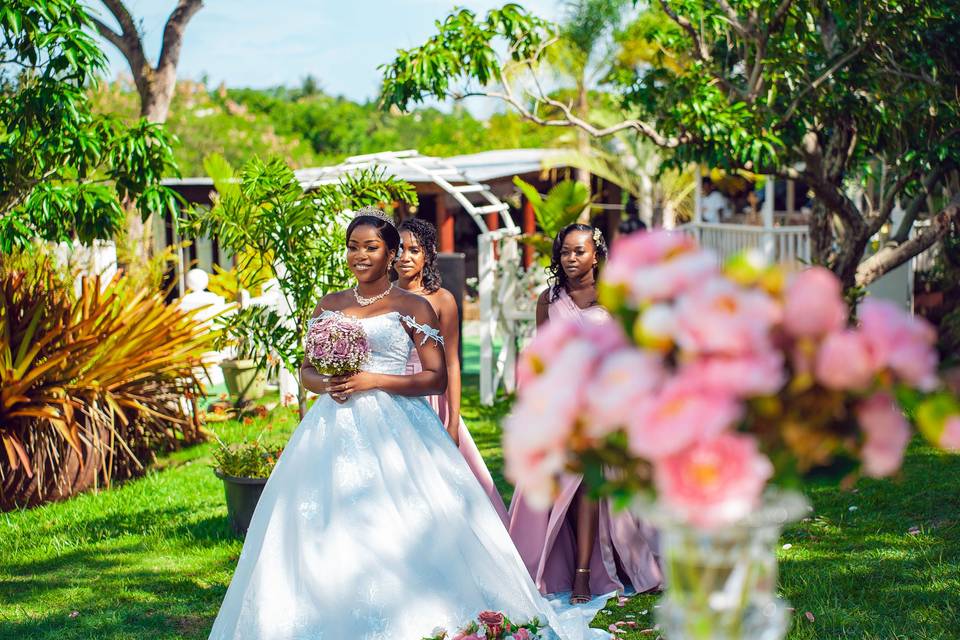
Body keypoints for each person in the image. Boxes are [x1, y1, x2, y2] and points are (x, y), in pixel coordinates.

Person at [207, 208, 589, 640]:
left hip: (399, 429)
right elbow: (305, 371)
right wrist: (326, 382)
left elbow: (435, 375)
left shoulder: (413, 306)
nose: (360, 255)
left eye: (371, 247)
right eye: (353, 247)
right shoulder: (330, 305)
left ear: (390, 253)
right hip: (329, 430)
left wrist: (374, 380)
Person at [510, 223, 663, 605]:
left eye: (579, 251)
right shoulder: (549, 299)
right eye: (565, 252)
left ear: (596, 254)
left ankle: (585, 574)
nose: (571, 259)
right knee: (571, 485)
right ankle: (572, 568)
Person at [394, 217, 510, 525]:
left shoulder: (442, 299)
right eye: (399, 249)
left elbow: (452, 362)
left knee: (439, 480)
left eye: (414, 250)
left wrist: (454, 420)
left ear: (428, 255)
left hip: (432, 399)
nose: (404, 257)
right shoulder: (382, 297)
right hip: (390, 394)